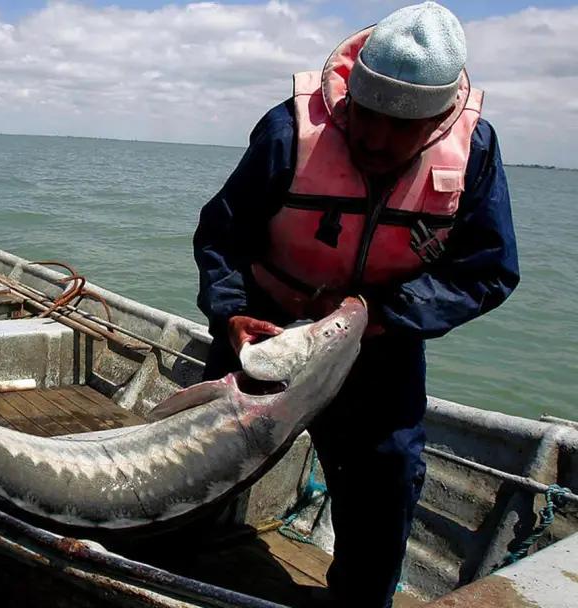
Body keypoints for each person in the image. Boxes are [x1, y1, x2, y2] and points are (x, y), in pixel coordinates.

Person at [192, 2, 519, 606]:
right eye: (367, 116)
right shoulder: (290, 131)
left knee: (387, 476)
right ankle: (183, 567)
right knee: (200, 458)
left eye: (403, 128)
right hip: (265, 327)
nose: (375, 138)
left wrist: (390, 313)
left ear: (441, 118)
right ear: (349, 96)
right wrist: (230, 313)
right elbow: (221, 236)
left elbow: (487, 269)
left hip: (380, 340)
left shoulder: (472, 151)